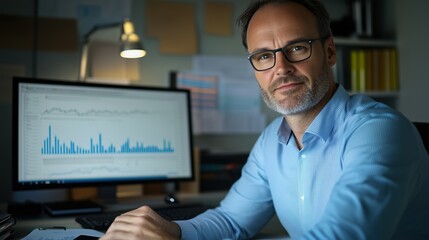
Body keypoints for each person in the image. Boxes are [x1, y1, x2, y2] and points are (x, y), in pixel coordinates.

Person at [100, 0, 429, 239]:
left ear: (329, 52)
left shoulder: (379, 131)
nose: (281, 68)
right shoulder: (272, 140)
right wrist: (168, 231)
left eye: (297, 48)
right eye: (263, 56)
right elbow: (231, 221)